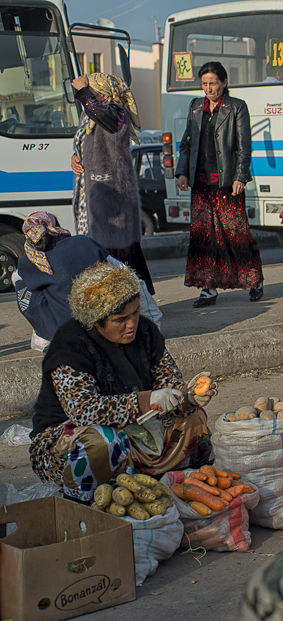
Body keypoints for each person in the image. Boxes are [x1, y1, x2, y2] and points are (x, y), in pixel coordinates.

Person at [28, 262, 215, 502]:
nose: (131, 324)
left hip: (137, 428)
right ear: (97, 321)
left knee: (193, 418)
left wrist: (188, 397)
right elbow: (84, 411)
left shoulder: (145, 333)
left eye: (136, 312)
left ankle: (176, 483)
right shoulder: (70, 347)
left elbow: (170, 382)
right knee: (103, 441)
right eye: (120, 319)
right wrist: (146, 400)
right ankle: (80, 501)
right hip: (69, 438)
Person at [175, 62, 263, 307]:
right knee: (203, 237)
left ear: (224, 82)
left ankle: (254, 281)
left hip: (226, 185)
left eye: (213, 83)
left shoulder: (236, 107)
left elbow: (244, 148)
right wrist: (181, 172)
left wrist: (239, 177)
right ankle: (207, 288)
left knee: (236, 235)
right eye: (204, 84)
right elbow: (186, 143)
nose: (208, 88)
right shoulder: (195, 107)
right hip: (201, 186)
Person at [70, 73, 154, 295]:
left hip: (113, 195)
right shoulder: (87, 116)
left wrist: (82, 92)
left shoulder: (117, 114)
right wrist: (75, 157)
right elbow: (83, 143)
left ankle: (131, 299)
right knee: (96, 250)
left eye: (92, 90)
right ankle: (110, 300)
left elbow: (102, 116)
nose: (88, 94)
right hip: (90, 194)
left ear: (105, 94)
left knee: (118, 254)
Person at [12, 211, 108, 350]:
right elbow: (122, 269)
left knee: (21, 282)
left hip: (62, 331)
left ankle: (43, 335)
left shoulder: (28, 260)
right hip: (102, 322)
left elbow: (16, 279)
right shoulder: (84, 241)